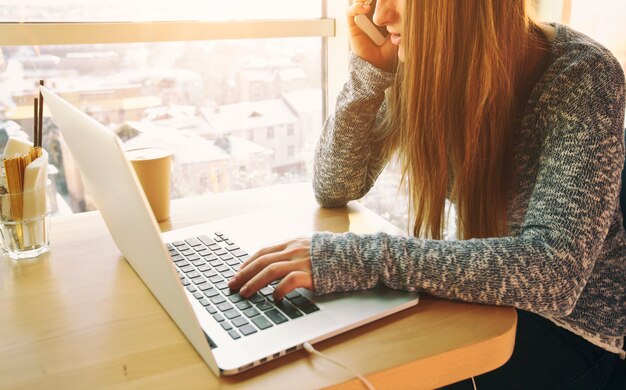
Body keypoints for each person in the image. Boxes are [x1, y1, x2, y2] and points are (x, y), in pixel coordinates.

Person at [229, 0, 626, 387]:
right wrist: (369, 73)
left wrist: (352, 258)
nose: (382, 15)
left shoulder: (583, 75)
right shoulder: (421, 60)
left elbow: (553, 274)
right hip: (486, 297)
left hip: (574, 331)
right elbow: (335, 186)